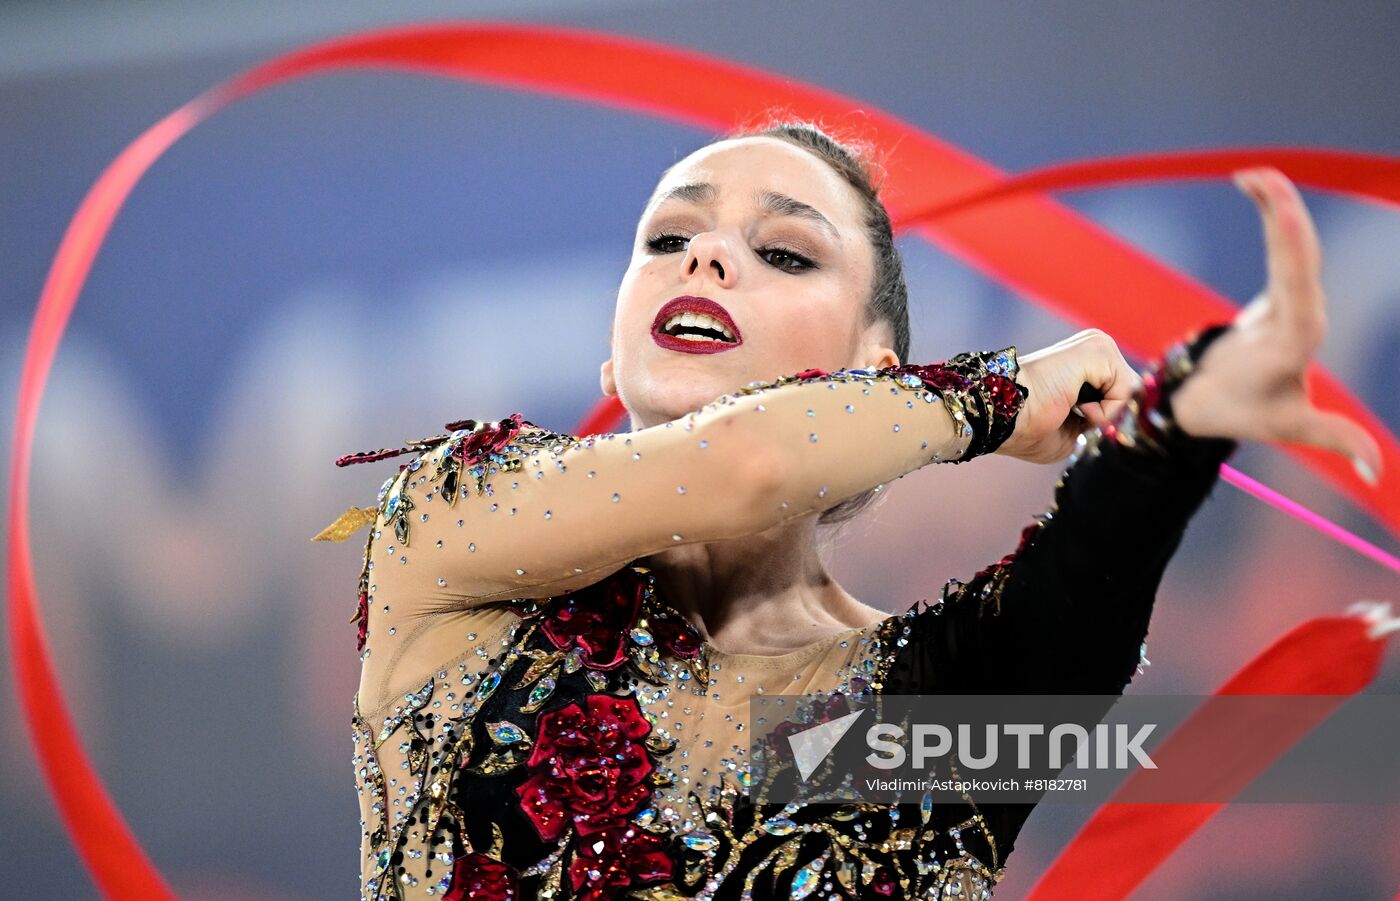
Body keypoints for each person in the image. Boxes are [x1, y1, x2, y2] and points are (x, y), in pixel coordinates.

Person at [317, 121, 1380, 900]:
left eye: (783, 252)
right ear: (612, 348)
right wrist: (996, 393)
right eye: (665, 240)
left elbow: (1087, 580)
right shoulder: (454, 524)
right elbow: (739, 464)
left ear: (872, 373)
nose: (706, 256)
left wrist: (1187, 416)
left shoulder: (910, 716)